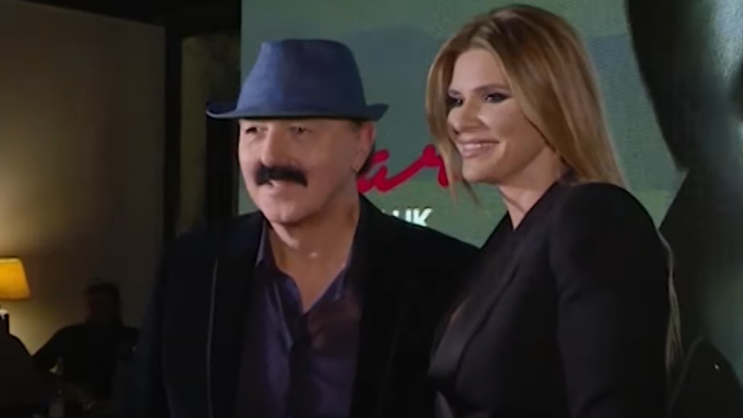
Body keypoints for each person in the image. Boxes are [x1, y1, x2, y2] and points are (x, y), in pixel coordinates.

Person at [124, 39, 476, 418]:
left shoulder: (442, 276)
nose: (270, 155)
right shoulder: (190, 267)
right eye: (254, 131)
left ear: (361, 145)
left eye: (300, 130)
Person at [424, 5, 680, 418]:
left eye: (492, 97)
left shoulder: (595, 218)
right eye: (455, 100)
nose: (460, 120)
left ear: (551, 101)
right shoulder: (510, 239)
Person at [34, 281, 139, 407]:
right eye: (94, 305)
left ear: (115, 307)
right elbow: (34, 367)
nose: (99, 310)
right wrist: (62, 386)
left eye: (104, 305)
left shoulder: (133, 338)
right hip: (77, 406)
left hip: (120, 407)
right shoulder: (69, 335)